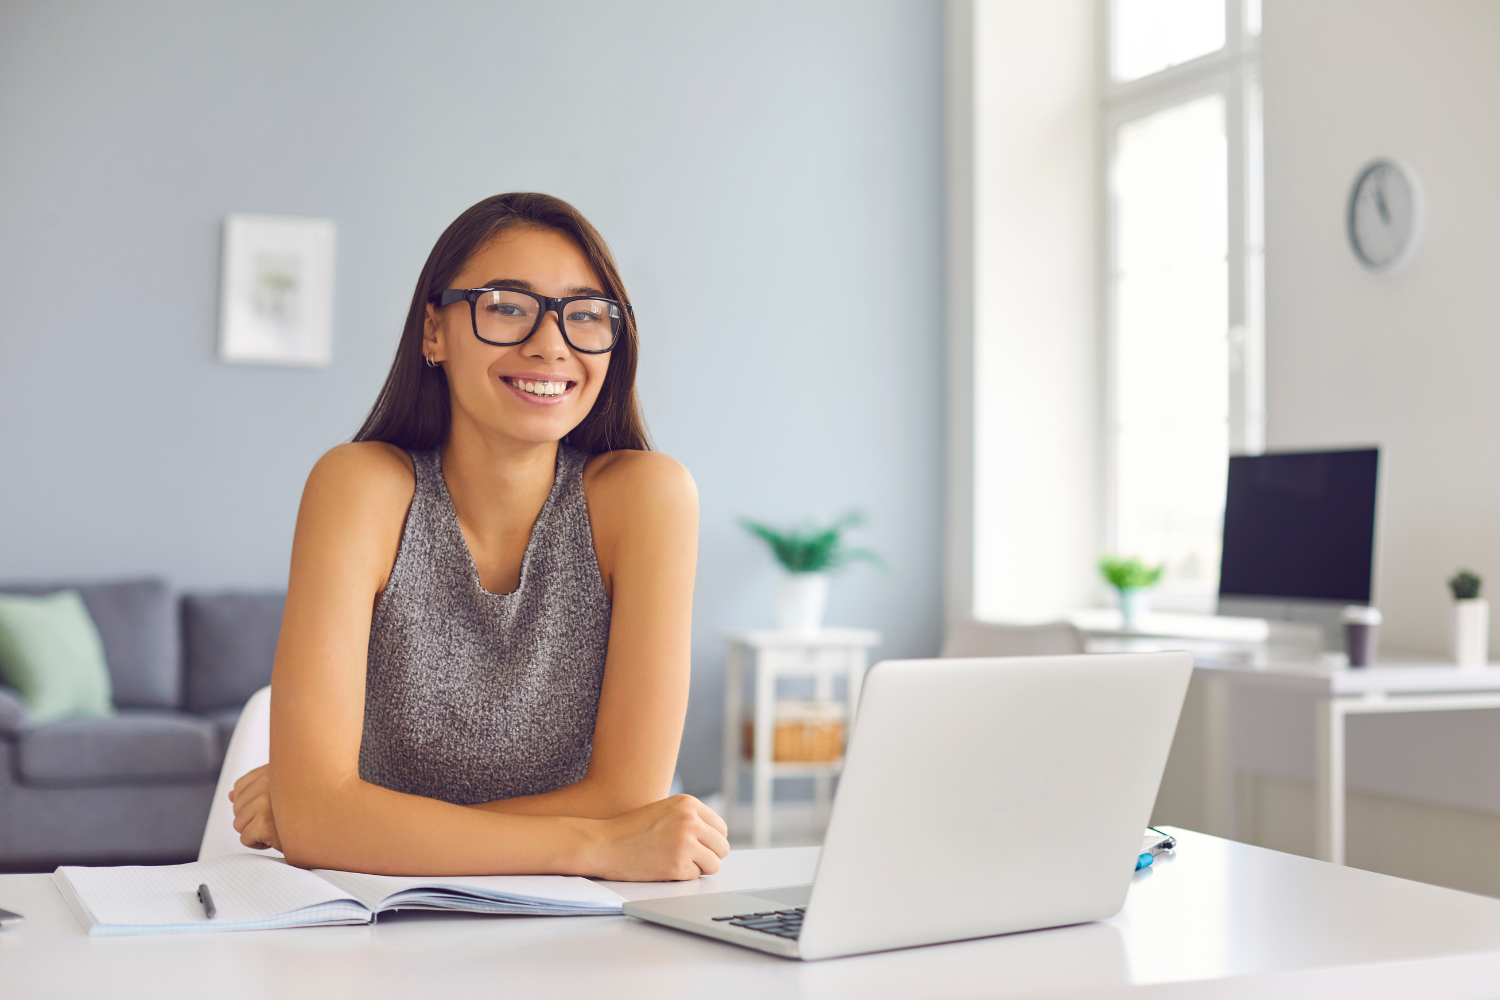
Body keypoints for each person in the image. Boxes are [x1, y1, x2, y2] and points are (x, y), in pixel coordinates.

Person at [226, 193, 728, 880]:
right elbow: (321, 820)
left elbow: (628, 798)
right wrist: (597, 844)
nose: (550, 343)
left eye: (583, 314)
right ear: (434, 332)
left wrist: (352, 823)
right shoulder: (359, 488)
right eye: (506, 305)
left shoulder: (647, 498)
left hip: (574, 935)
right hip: (371, 927)